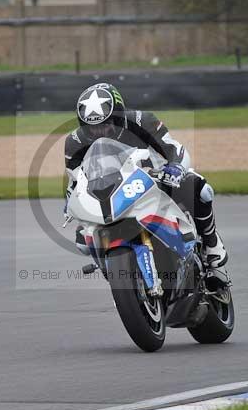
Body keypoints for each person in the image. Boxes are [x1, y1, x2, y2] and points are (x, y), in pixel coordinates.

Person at [64, 82, 230, 284]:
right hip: (112, 192)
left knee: (199, 186)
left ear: (118, 116)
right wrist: (72, 205)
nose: (99, 132)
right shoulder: (75, 142)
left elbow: (174, 148)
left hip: (155, 177)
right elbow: (76, 180)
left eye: (105, 125)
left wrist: (175, 168)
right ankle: (113, 270)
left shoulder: (142, 121)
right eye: (92, 127)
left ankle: (211, 243)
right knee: (83, 240)